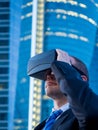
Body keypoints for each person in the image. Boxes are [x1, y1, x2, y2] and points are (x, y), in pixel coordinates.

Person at [33, 49, 98, 130]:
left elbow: (91, 114)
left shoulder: (85, 115)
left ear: (82, 79)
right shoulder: (41, 127)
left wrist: (62, 65)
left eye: (55, 72)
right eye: (47, 73)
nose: (49, 76)